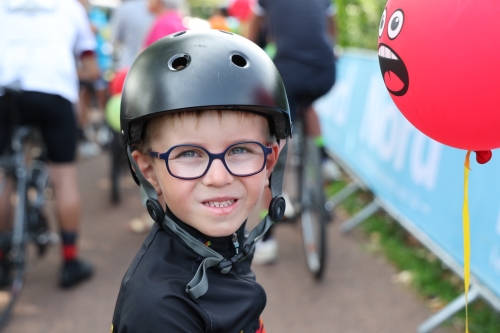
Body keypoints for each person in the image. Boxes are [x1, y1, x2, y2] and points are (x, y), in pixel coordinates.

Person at [111, 30, 292, 332]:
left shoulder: (225, 248)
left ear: (269, 161)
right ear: (149, 171)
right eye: (189, 154)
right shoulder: (159, 310)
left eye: (239, 150)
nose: (219, 177)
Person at [0, 0, 97, 288]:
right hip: (53, 91)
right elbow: (90, 67)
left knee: (5, 175)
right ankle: (70, 262)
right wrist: (69, 74)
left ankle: (2, 260)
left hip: (6, 92)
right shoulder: (71, 7)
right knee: (64, 176)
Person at [247, 0, 339, 264]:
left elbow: (253, 31)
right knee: (307, 105)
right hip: (325, 71)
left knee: (272, 151)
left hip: (288, 73)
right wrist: (332, 49)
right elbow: (331, 27)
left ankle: (267, 239)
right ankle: (322, 158)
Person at [110, 0, 154, 70]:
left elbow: (114, 38)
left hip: (127, 66)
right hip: (149, 68)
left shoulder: (124, 9)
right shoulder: (152, 6)